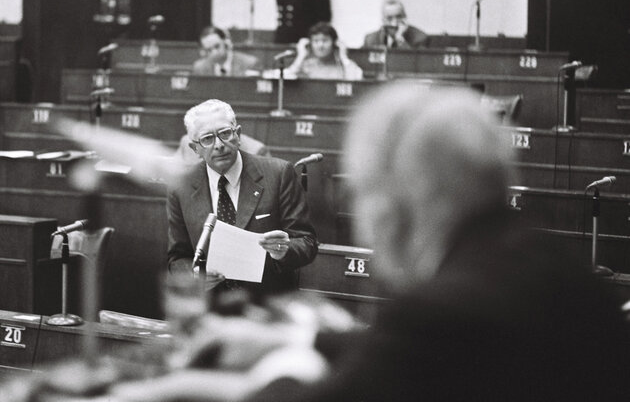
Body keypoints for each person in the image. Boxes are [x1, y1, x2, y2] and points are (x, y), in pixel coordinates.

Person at [113, 83, 630, 401]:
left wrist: (171, 392)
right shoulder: (545, 265)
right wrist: (300, 340)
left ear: (406, 197)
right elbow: (404, 353)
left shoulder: (445, 308)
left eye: (367, 191)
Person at [166, 99, 317, 297]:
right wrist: (196, 275)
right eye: (207, 139)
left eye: (225, 134)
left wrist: (283, 251)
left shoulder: (279, 174)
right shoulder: (181, 186)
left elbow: (307, 241)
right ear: (195, 149)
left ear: (237, 134)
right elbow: (177, 257)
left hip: (268, 306)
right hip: (211, 307)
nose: (219, 145)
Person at [284, 22, 363, 80]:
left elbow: (356, 82)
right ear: (310, 44)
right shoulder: (305, 66)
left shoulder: (344, 66)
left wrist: (343, 57)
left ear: (334, 44)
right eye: (316, 41)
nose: (320, 45)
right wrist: (301, 56)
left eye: (325, 40)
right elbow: (286, 81)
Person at [192, 26, 261, 76]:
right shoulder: (199, 67)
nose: (214, 52)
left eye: (217, 46)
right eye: (209, 50)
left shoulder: (249, 63)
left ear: (226, 43)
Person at [363, 0, 428, 49]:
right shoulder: (371, 39)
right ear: (383, 20)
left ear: (405, 17)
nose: (394, 23)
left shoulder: (419, 37)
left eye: (399, 17)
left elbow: (414, 63)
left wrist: (400, 40)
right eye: (389, 18)